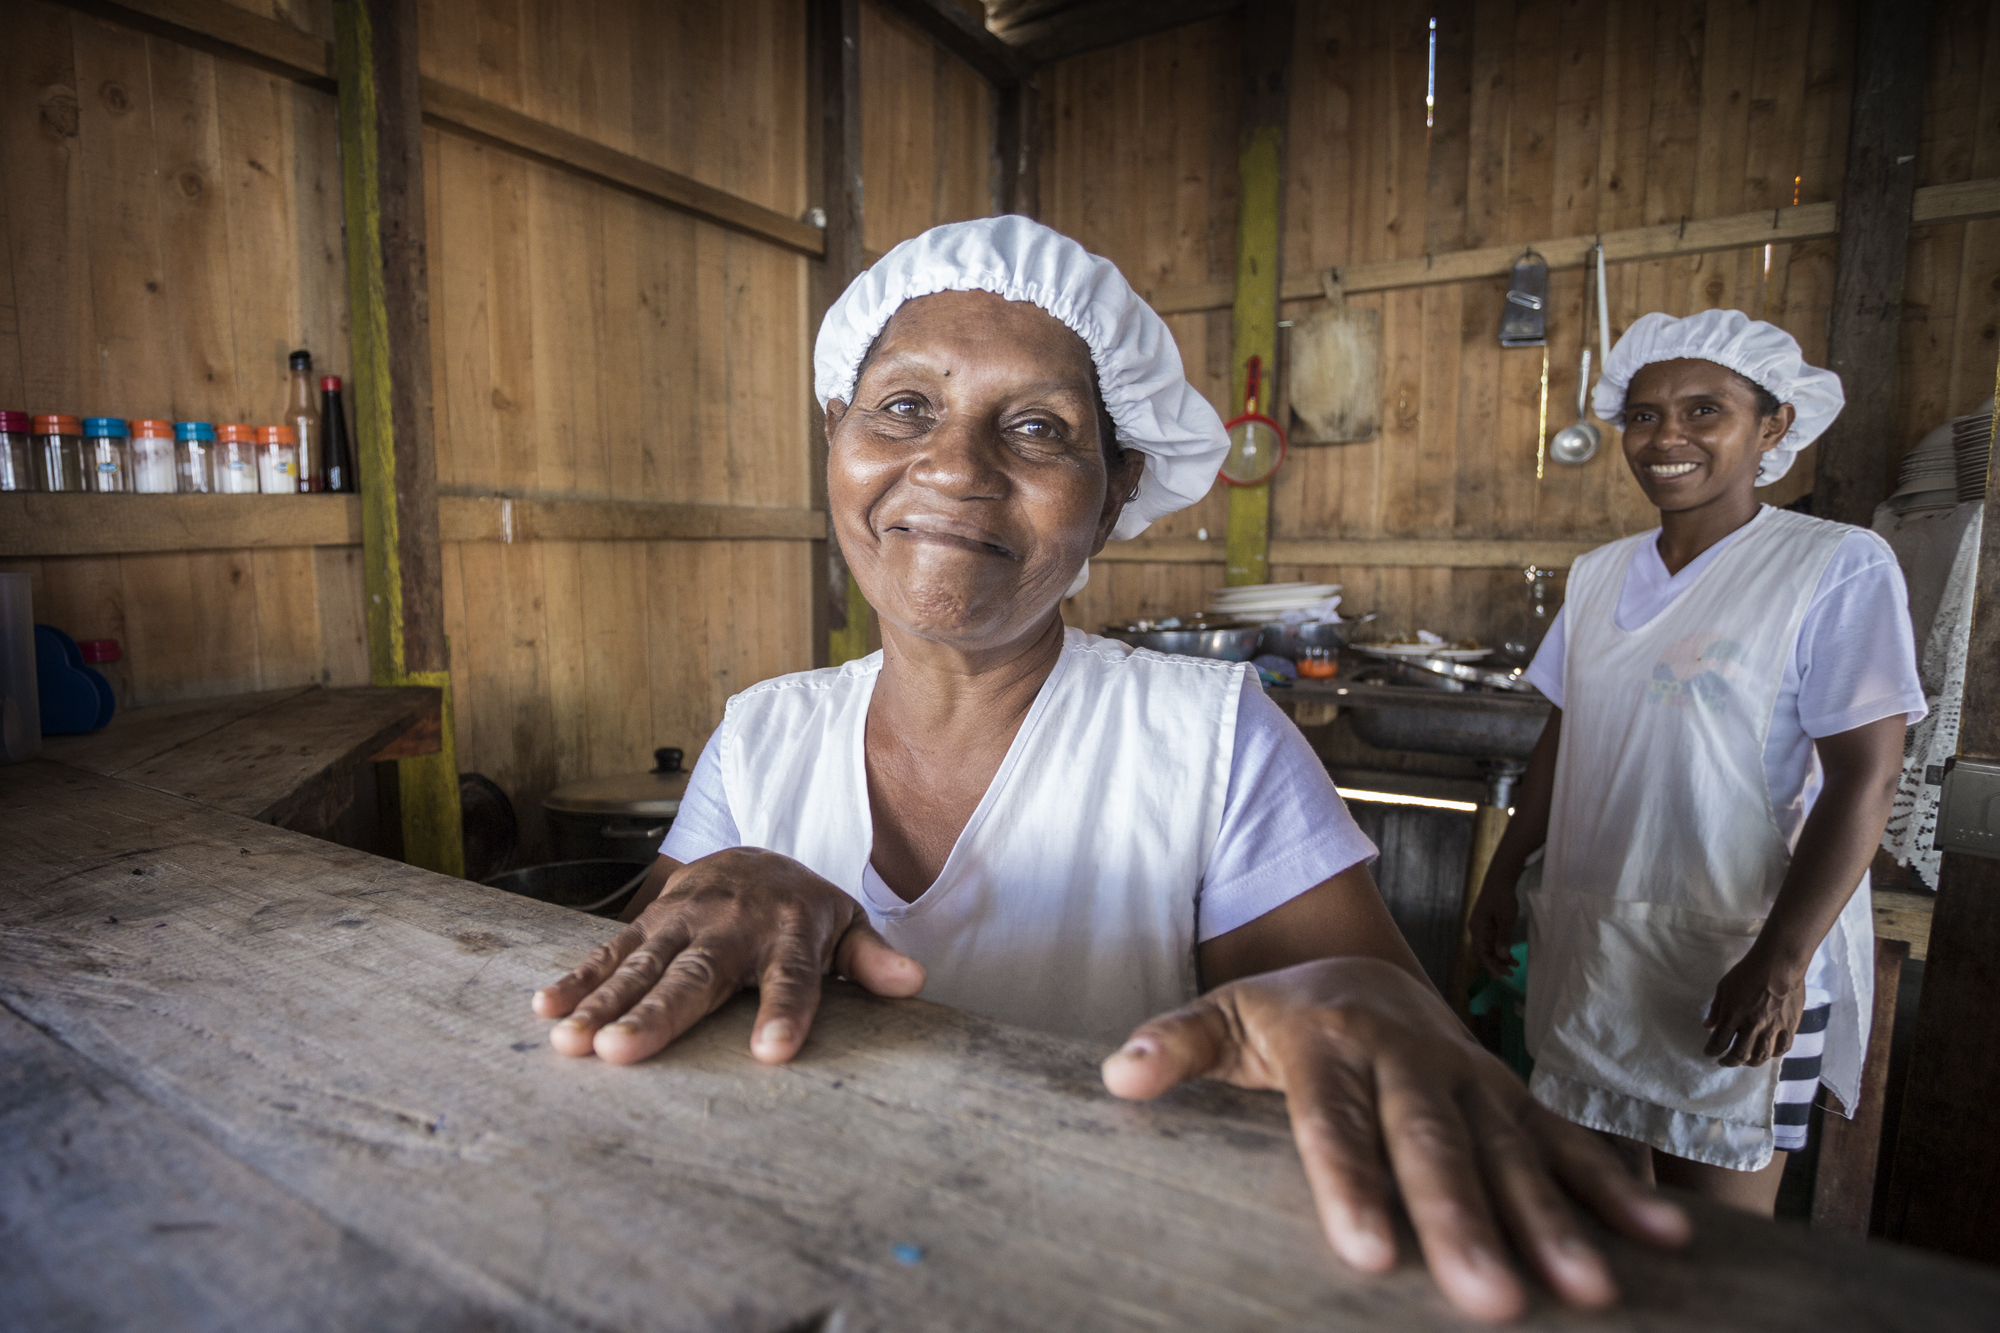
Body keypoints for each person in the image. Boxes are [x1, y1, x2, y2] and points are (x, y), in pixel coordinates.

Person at [533, 217, 1689, 1321]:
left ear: (1116, 491)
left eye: (1034, 428)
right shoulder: (762, 733)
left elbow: (1364, 1023)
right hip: (790, 1264)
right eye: (902, 408)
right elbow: (640, 987)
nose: (952, 468)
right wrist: (729, 875)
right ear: (837, 440)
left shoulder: (1205, 738)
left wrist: (1378, 1006)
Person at [1469, 310, 1927, 1217]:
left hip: (1738, 957)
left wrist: (1783, 959)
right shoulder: (1598, 575)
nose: (1665, 437)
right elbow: (1568, 736)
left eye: (1703, 410)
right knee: (1606, 1219)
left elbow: (1865, 777)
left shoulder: (1831, 567)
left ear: (1773, 426)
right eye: (1643, 416)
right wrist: (1505, 870)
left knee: (1716, 1255)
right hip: (1597, 944)